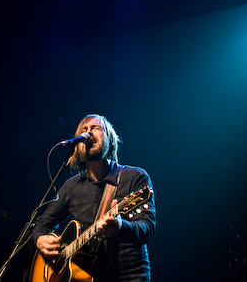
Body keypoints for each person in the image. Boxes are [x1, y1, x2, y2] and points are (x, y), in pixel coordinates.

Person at [31, 114, 156, 281]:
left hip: (129, 276)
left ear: (111, 140)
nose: (88, 133)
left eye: (95, 128)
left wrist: (121, 226)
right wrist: (39, 239)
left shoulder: (134, 177)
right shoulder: (71, 186)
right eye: (84, 130)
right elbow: (40, 223)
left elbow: (147, 227)